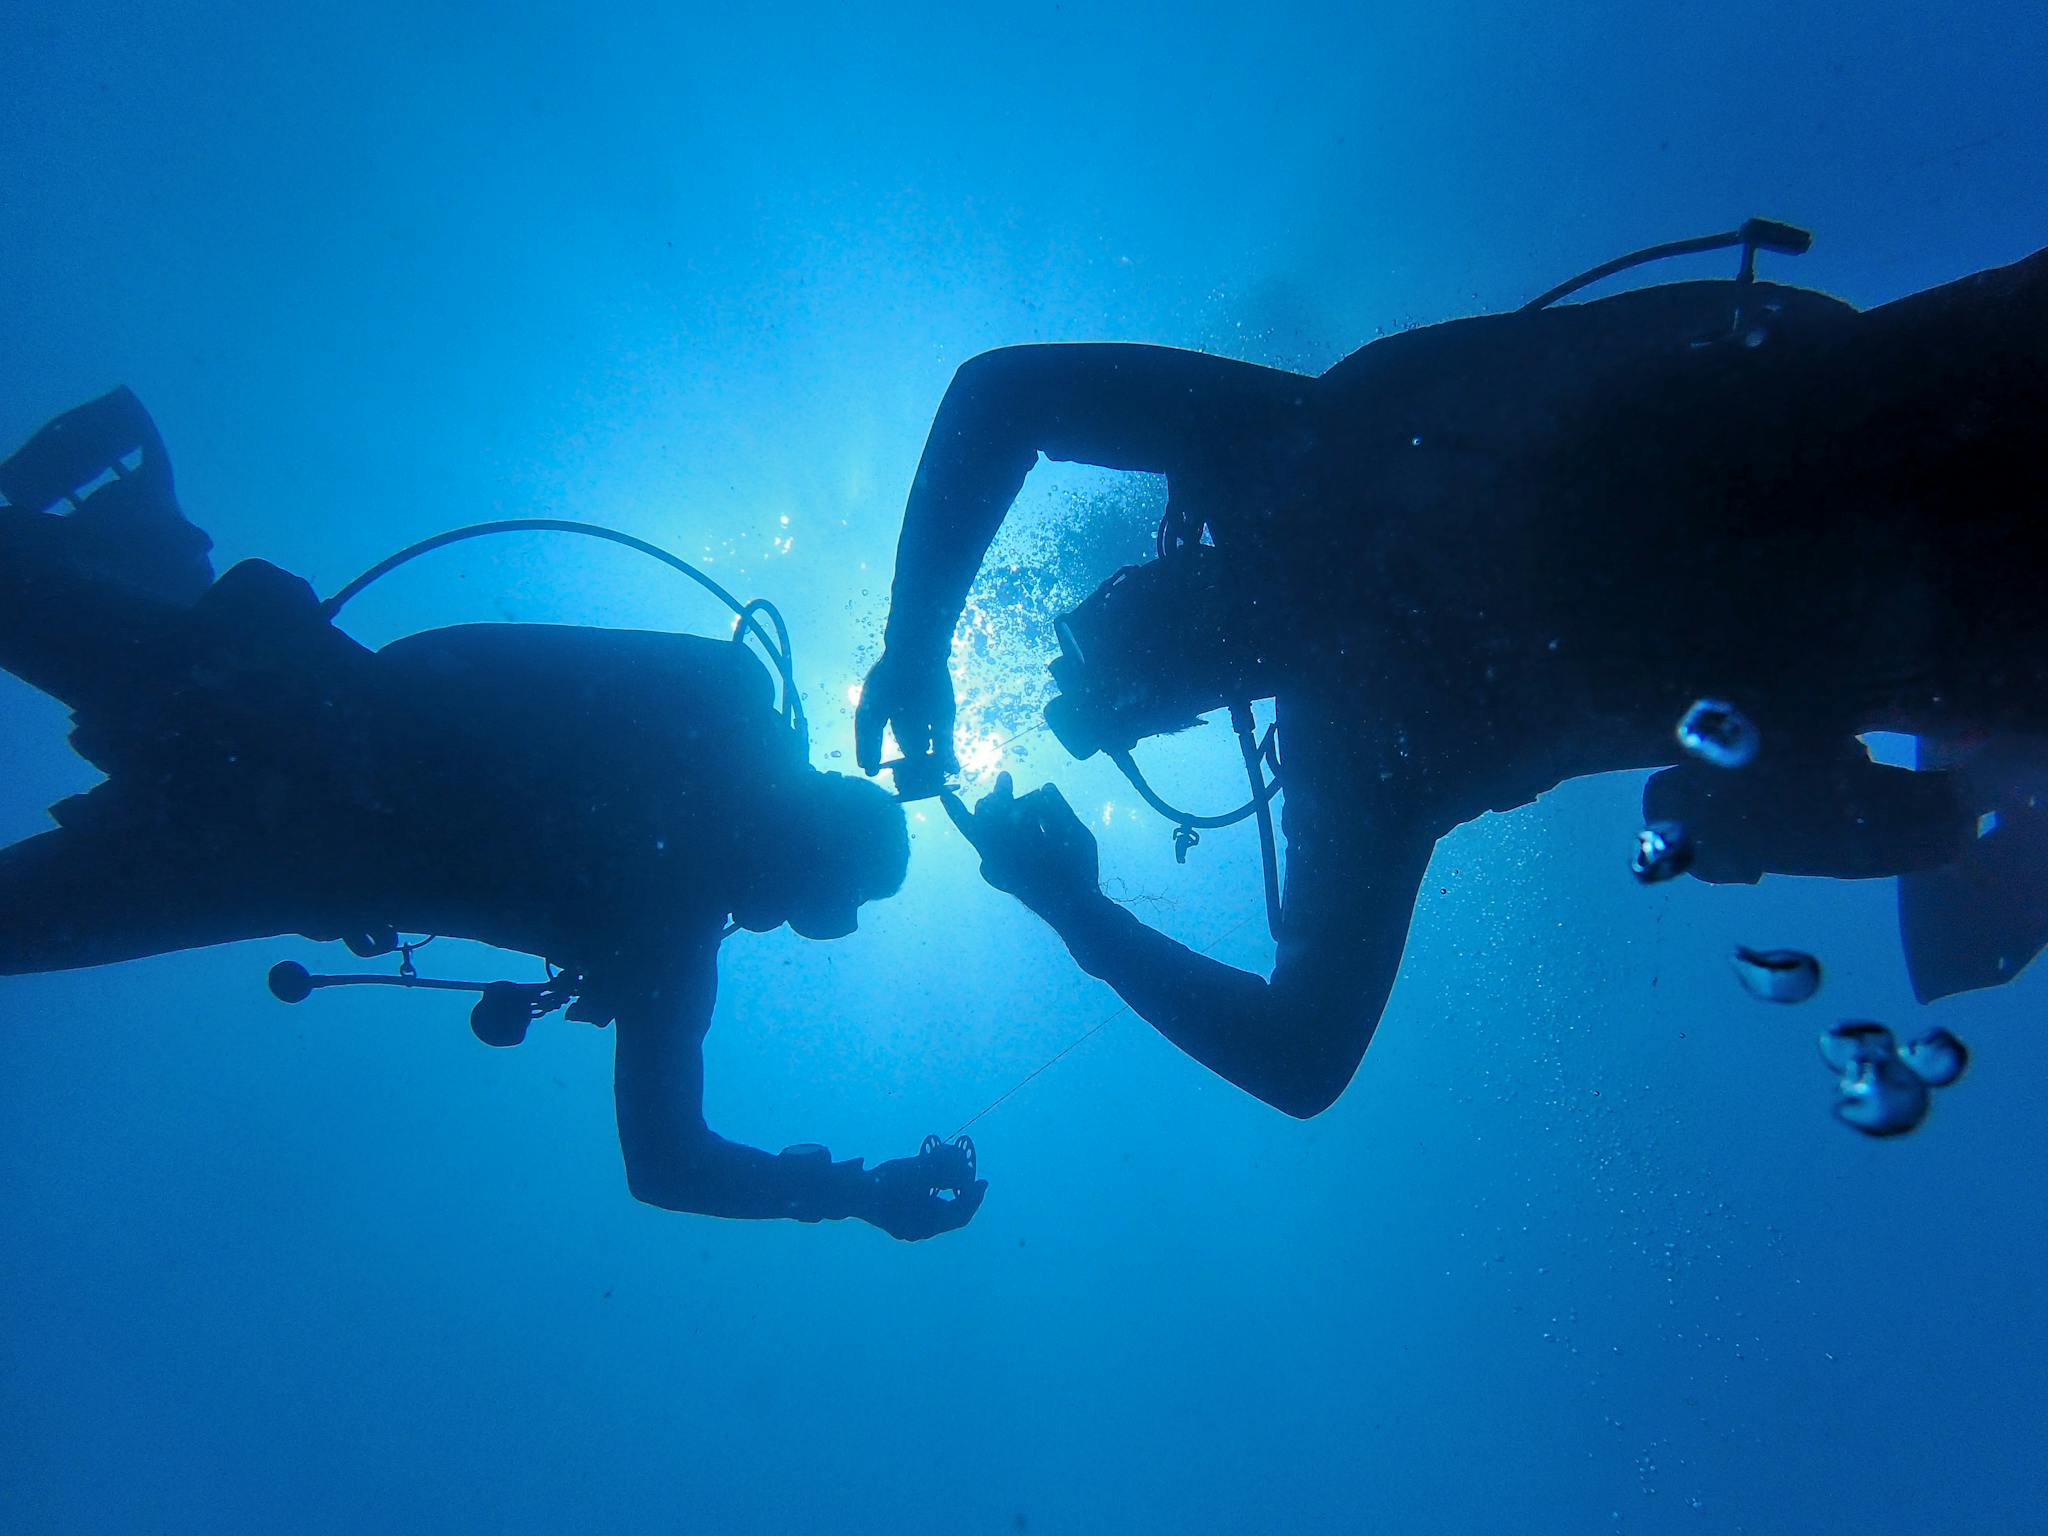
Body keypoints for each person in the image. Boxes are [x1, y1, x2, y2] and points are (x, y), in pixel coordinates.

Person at [856, 234, 2048, 1117]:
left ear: (1167, 556)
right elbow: (1302, 1061)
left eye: (1118, 612)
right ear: (1185, 712)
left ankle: (1957, 815)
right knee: (1689, 808)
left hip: (1935, 449)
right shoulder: (1357, 737)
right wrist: (1076, 909)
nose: (1146, 629)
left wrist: (920, 650)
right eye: (1133, 664)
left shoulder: (1300, 490)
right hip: (1951, 568)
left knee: (1698, 801)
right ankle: (1960, 814)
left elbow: (1001, 395)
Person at [0, 388, 984, 1239]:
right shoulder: (714, 717)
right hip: (275, 721)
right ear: (809, 827)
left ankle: (138, 556)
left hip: (276, 842)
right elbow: (468, 660)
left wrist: (846, 1193)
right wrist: (361, 745)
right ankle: (139, 551)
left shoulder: (667, 941)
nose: (781, 924)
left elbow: (666, 1165)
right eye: (817, 899)